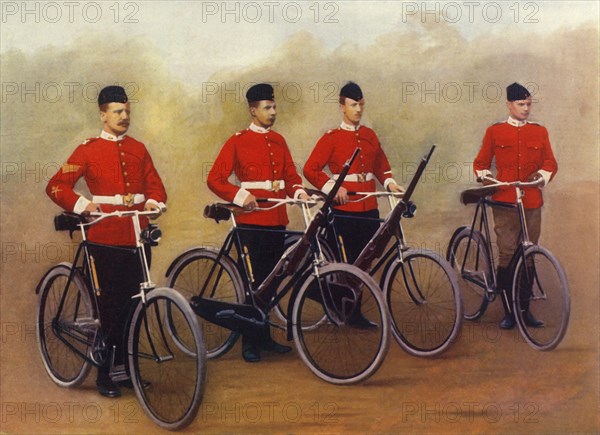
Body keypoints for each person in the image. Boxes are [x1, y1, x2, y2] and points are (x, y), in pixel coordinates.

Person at [46, 85, 167, 397]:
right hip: (103, 238)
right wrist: (85, 206)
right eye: (117, 112)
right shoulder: (87, 150)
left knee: (134, 306)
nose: (124, 117)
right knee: (109, 308)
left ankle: (126, 369)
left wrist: (154, 202)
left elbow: (156, 187)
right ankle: (104, 374)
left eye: (127, 111)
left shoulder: (139, 149)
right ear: (102, 115)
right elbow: (57, 186)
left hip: (137, 238)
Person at [207, 83, 309, 363]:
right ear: (253, 110)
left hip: (276, 218)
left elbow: (290, 175)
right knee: (252, 285)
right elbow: (215, 178)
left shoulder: (279, 140)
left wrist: (298, 192)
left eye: (274, 106)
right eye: (267, 108)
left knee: (271, 282)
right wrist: (241, 195)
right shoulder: (238, 140)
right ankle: (249, 343)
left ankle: (264, 337)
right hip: (251, 222)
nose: (273, 112)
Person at [473, 82, 558, 329]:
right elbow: (480, 163)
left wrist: (539, 176)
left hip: (531, 201)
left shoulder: (539, 132)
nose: (526, 109)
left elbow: (551, 162)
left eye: (529, 104)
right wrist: (486, 178)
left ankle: (524, 309)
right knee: (508, 252)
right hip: (504, 202)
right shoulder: (495, 131)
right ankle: (509, 311)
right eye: (521, 104)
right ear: (509, 105)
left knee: (529, 252)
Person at [303, 81, 405, 265]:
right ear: (342, 107)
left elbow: (380, 165)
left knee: (365, 262)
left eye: (361, 104)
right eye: (353, 105)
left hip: (370, 208)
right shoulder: (331, 138)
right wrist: (333, 189)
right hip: (345, 210)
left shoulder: (370, 135)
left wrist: (390, 183)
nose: (358, 109)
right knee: (346, 264)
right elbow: (310, 169)